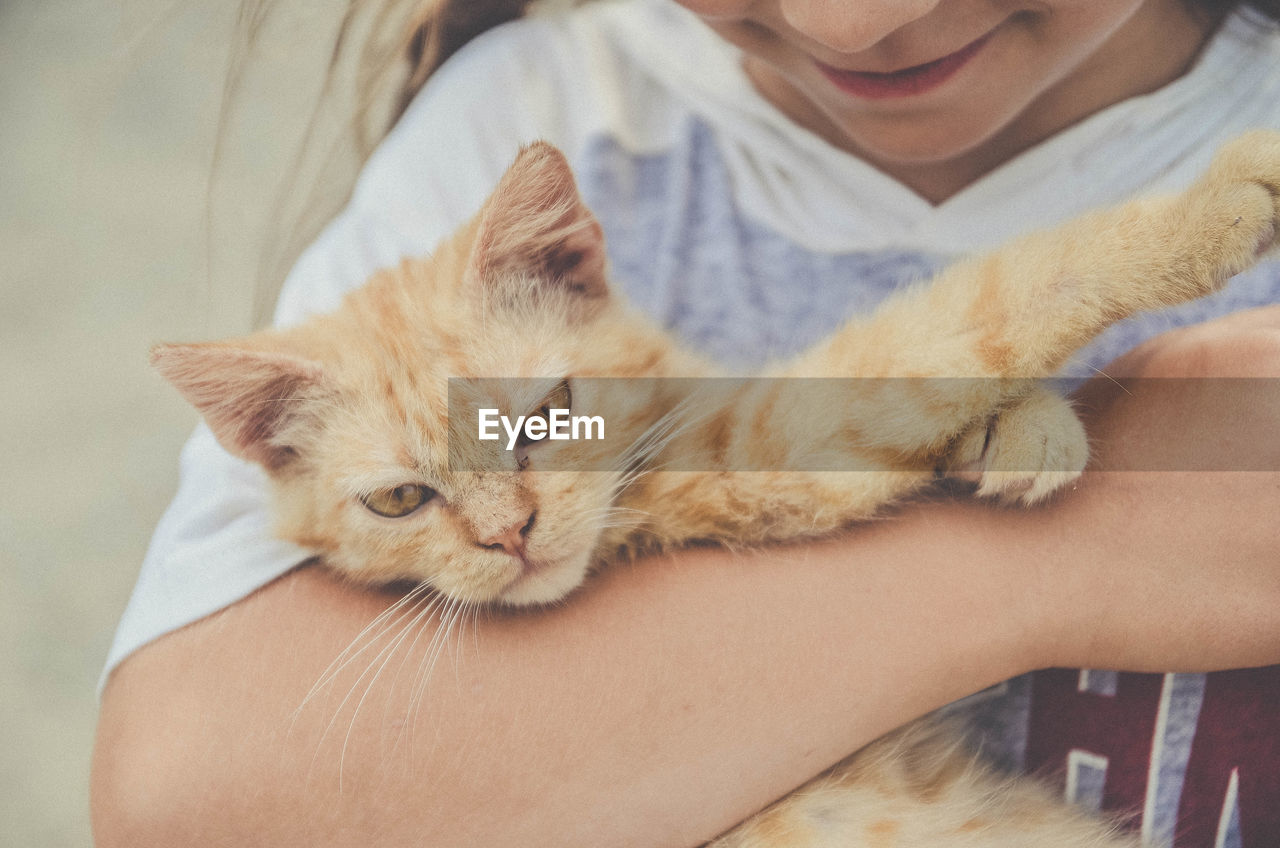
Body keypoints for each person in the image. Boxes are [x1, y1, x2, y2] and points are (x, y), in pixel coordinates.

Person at [92, 0, 1280, 845]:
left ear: (572, 268)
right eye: (407, 496)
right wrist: (1060, 557)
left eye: (527, 434)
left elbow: (821, 429)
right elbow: (184, 802)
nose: (502, 524)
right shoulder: (524, 120)